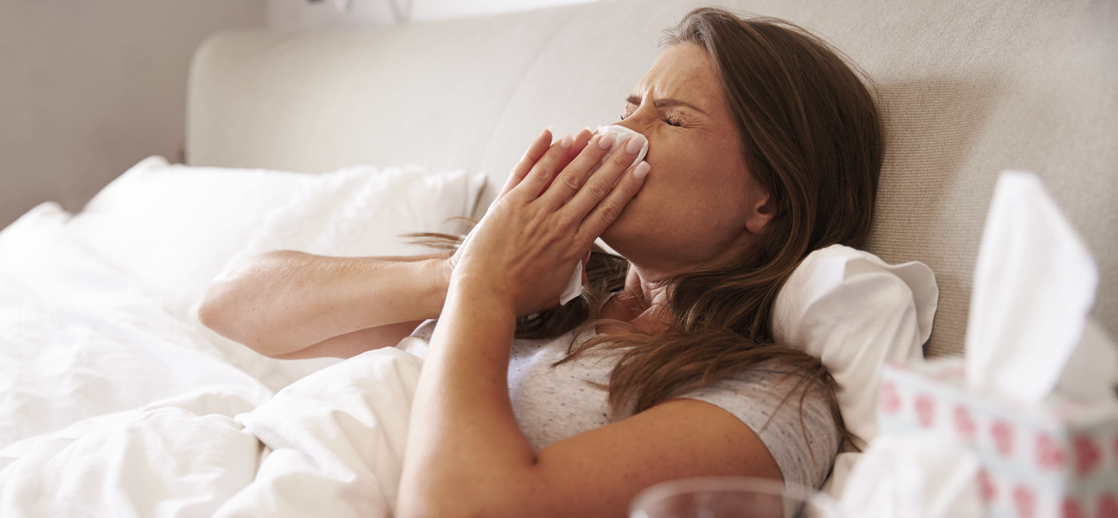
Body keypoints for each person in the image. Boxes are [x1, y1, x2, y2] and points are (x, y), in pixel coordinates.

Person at [199, 7, 883, 518]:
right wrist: (460, 275)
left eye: (670, 120)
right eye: (629, 106)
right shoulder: (544, 277)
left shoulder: (770, 400)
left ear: (766, 196)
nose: (615, 135)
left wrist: (484, 295)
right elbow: (231, 305)